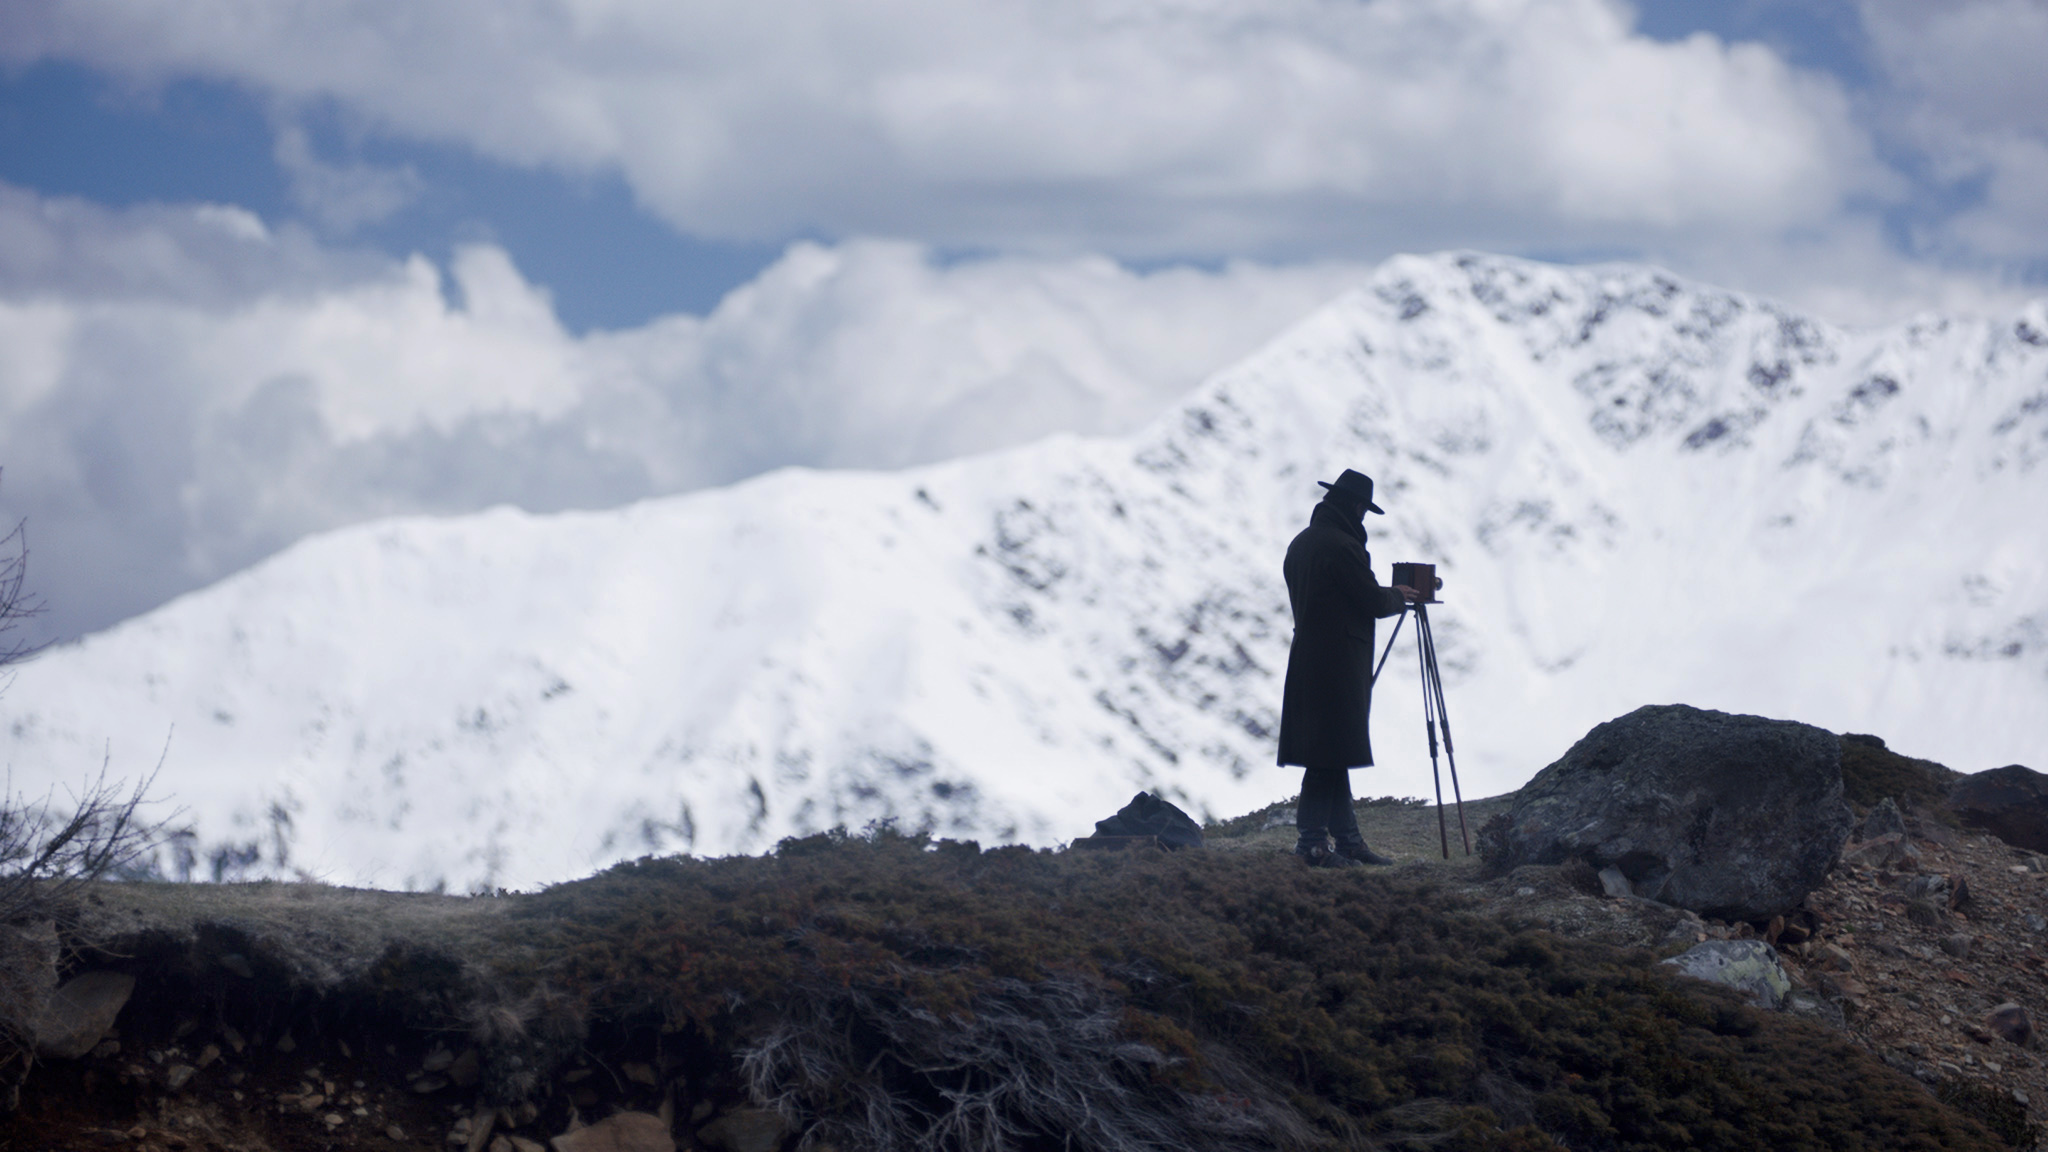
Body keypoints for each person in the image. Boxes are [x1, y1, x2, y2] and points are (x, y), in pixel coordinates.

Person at [1276, 469, 1419, 867]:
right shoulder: (1342, 546)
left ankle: (1348, 840)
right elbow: (1370, 600)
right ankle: (1312, 844)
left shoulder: (1301, 543)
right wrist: (1399, 595)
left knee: (1331, 750)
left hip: (1309, 659)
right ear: (1356, 507)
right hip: (1337, 665)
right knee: (1325, 755)